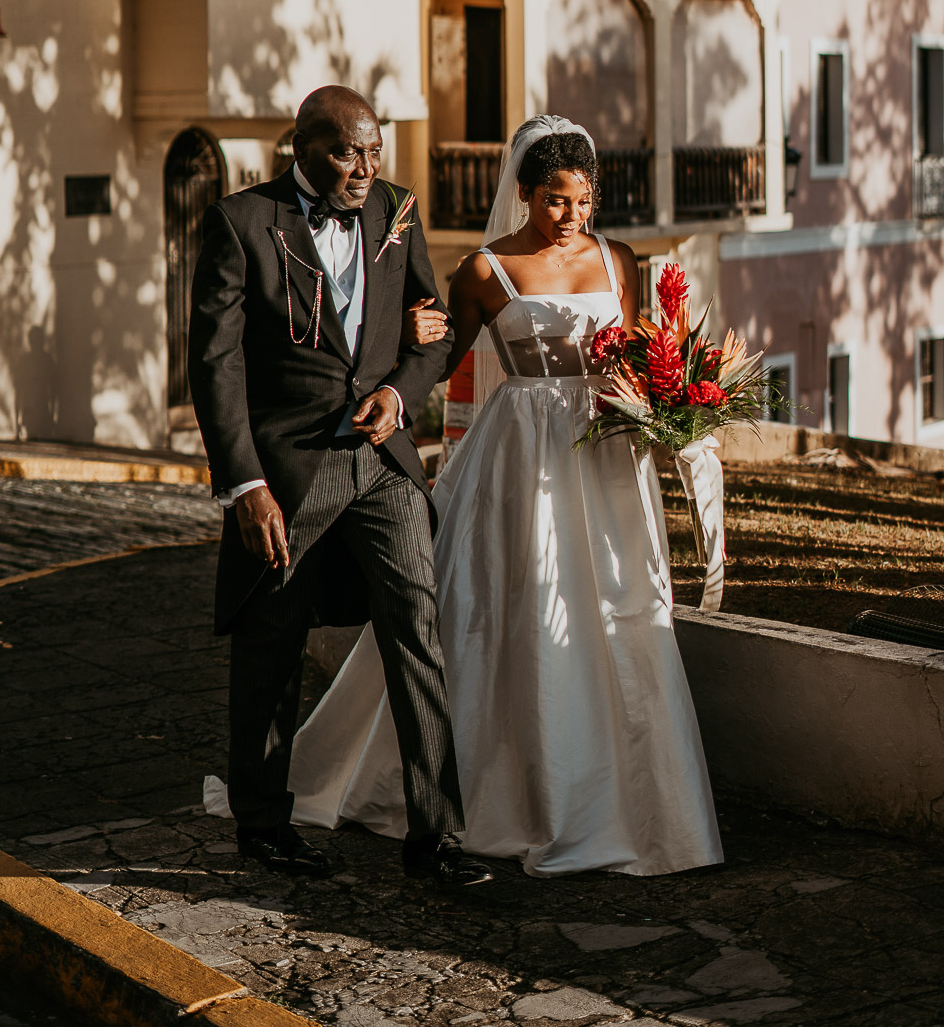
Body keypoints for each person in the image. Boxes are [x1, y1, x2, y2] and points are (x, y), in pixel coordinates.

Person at [276, 115, 724, 876]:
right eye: (555, 201)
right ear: (524, 193)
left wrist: (672, 404)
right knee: (513, 601)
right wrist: (397, 355)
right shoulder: (486, 270)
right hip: (521, 454)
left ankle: (640, 806)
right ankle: (510, 798)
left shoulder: (617, 258)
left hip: (609, 453)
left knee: (620, 602)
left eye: (582, 202)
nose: (571, 217)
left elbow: (654, 350)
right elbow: (442, 356)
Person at [190, 85, 492, 888]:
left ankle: (435, 837)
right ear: (303, 147)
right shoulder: (240, 223)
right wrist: (244, 483)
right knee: (272, 643)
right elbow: (215, 365)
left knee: (417, 634)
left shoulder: (397, 209)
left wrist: (399, 394)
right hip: (289, 470)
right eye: (346, 152)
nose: (364, 169)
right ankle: (263, 823)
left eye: (374, 152)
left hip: (383, 463)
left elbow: (437, 326)